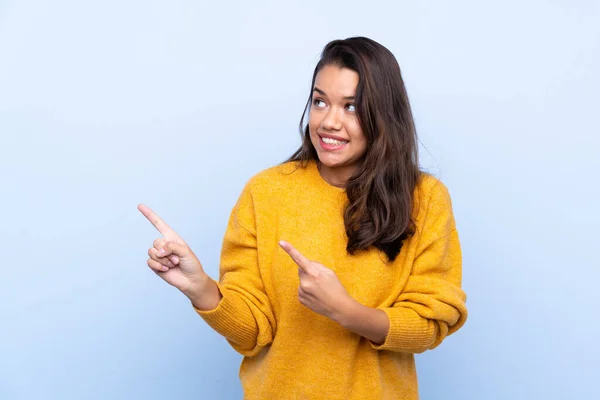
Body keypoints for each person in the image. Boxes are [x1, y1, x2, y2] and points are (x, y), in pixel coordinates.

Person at [138, 36, 467, 400]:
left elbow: (431, 321)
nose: (329, 121)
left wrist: (345, 311)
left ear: (384, 114)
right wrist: (200, 288)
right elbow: (252, 332)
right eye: (320, 101)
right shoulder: (265, 192)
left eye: (352, 107)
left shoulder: (425, 199)